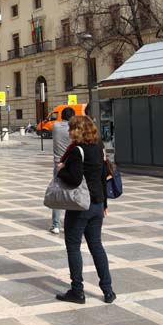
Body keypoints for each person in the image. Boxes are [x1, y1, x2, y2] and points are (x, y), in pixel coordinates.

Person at [56, 115, 115, 305]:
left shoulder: (77, 151)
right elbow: (103, 177)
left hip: (81, 206)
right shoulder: (99, 148)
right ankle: (108, 290)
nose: (69, 132)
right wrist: (104, 204)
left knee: (73, 246)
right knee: (96, 246)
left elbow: (73, 178)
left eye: (72, 128)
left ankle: (77, 291)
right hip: (97, 204)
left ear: (78, 130)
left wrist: (61, 168)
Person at [49, 107, 76, 234]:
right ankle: (73, 223)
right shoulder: (74, 129)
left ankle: (56, 225)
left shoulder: (55, 126)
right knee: (74, 192)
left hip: (57, 164)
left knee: (58, 193)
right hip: (71, 164)